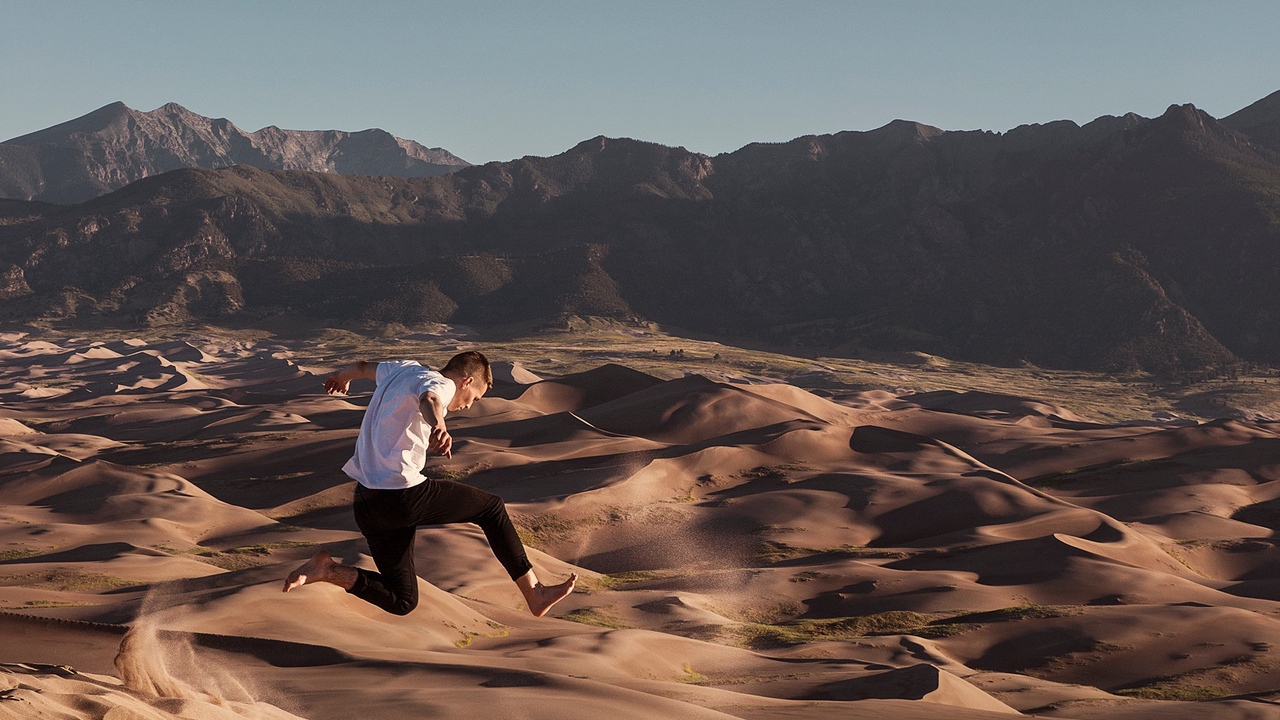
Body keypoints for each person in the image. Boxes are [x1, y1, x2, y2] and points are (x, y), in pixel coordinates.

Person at [283, 351, 576, 617]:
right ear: (466, 381)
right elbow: (430, 399)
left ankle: (327, 570)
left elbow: (361, 366)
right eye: (473, 398)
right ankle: (535, 593)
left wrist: (341, 377)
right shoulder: (443, 384)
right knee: (491, 509)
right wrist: (438, 425)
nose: (467, 405)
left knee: (402, 600)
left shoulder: (402, 369)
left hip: (367, 503)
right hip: (402, 496)